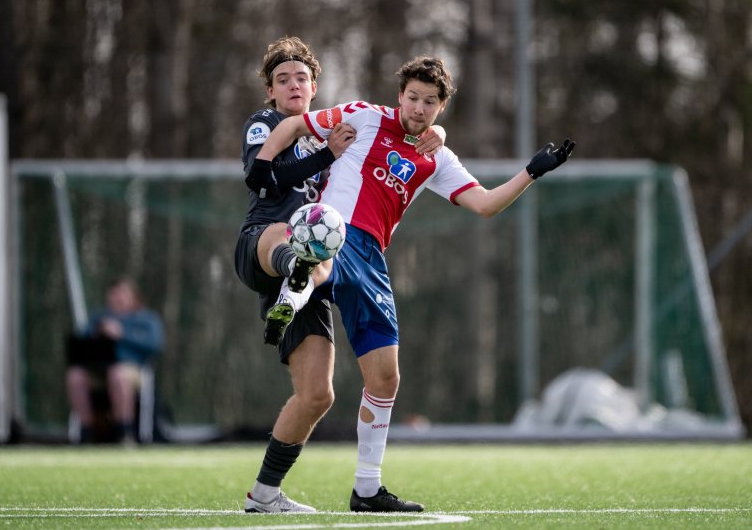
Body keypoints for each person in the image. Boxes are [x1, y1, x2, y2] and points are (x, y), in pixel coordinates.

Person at [249, 55, 576, 512]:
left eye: (429, 102)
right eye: (412, 98)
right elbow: (294, 126)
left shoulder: (436, 158)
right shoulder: (364, 115)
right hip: (332, 227)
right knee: (324, 255)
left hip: (373, 260)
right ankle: (298, 284)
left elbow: (483, 203)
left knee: (385, 377)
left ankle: (366, 489)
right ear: (399, 96)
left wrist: (531, 172)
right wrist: (263, 167)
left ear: (441, 107)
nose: (419, 109)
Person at [235, 37, 446, 514]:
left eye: (301, 78)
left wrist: (439, 133)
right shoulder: (267, 124)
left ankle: (264, 495)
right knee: (298, 234)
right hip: (264, 246)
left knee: (317, 394)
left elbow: (404, 122)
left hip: (312, 275)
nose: (293, 85)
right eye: (282, 79)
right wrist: (325, 156)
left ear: (315, 87)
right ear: (270, 91)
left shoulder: (337, 127)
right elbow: (262, 177)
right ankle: (298, 269)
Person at [65, 277, 164, 444]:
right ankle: (86, 433)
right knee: (75, 375)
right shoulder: (99, 318)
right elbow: (81, 341)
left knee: (117, 374)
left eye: (121, 294)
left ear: (133, 297)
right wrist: (96, 334)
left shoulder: (146, 319)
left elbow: (155, 345)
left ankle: (124, 431)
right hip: (98, 369)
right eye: (113, 295)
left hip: (133, 370)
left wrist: (122, 334)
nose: (117, 298)